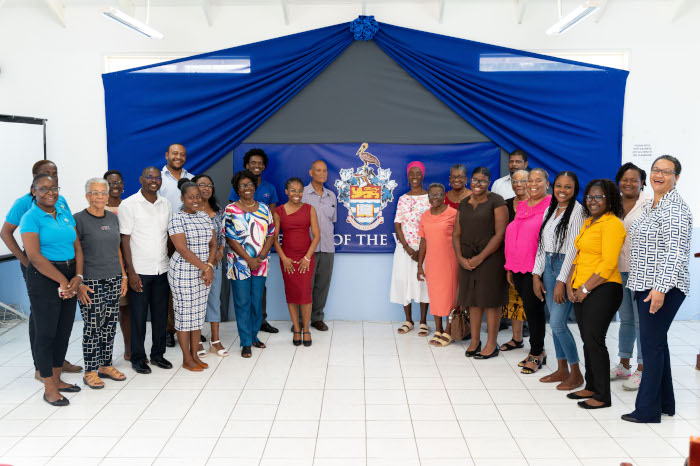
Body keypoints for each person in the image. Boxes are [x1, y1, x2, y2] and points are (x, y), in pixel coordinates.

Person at [622, 155, 693, 423]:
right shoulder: (653, 205)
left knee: (651, 347)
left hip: (662, 287)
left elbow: (676, 253)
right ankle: (665, 404)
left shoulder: (674, 209)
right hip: (646, 284)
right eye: (655, 170)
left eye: (666, 171)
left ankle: (647, 410)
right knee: (657, 344)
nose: (658, 175)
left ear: (677, 177)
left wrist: (661, 289)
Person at [1, 160, 82, 380]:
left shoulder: (60, 200)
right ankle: (41, 368)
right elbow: (6, 232)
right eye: (46, 174)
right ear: (34, 179)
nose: (52, 178)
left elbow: (68, 232)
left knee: (61, 321)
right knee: (41, 318)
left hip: (64, 267)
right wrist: (26, 261)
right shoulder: (24, 204)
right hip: (38, 268)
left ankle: (57, 363)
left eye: (55, 174)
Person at [20, 174, 83, 406]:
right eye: (44, 189)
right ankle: (48, 386)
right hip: (44, 278)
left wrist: (78, 276)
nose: (50, 192)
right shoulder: (30, 217)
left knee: (63, 330)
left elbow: (77, 247)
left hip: (68, 276)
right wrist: (62, 281)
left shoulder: (65, 213)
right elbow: (35, 257)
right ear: (33, 190)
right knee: (46, 333)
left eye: (53, 188)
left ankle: (58, 379)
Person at [565, 179, 625, 409]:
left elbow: (608, 263)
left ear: (609, 199)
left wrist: (585, 288)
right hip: (582, 289)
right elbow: (579, 256)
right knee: (587, 339)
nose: (593, 201)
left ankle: (602, 396)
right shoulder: (589, 222)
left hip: (604, 288)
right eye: (589, 197)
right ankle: (590, 386)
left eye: (599, 197)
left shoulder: (612, 224)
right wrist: (571, 284)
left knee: (595, 340)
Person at [532, 171, 585, 390]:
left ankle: (576, 372)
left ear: (575, 190)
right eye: (559, 186)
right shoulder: (549, 210)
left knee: (557, 323)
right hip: (549, 267)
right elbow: (542, 246)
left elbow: (573, 250)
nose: (562, 190)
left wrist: (563, 281)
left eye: (568, 187)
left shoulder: (578, 212)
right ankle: (562, 369)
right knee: (555, 324)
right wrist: (536, 275)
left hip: (566, 267)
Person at [119, 166, 173, 374]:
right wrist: (130, 272)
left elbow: (168, 235)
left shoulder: (165, 204)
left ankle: (158, 355)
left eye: (157, 178)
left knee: (160, 316)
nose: (154, 180)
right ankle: (138, 358)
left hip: (162, 269)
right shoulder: (129, 204)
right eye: (149, 177)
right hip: (139, 271)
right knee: (139, 317)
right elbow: (125, 239)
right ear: (141, 179)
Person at [75, 178, 128, 389]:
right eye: (95, 193)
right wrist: (78, 282)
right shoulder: (78, 219)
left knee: (109, 326)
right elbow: (75, 252)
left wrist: (123, 276)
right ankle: (90, 370)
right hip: (91, 281)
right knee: (93, 327)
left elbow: (117, 248)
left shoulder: (113, 218)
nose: (100, 196)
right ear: (87, 196)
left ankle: (105, 365)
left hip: (114, 278)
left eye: (103, 192)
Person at [453, 167, 508, 358]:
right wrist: (460, 258)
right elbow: (456, 233)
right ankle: (475, 341)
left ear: (489, 183)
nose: (478, 184)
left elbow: (500, 234)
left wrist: (480, 258)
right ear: (470, 181)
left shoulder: (497, 201)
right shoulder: (464, 203)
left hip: (490, 257)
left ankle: (492, 344)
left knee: (491, 301)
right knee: (473, 301)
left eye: (483, 181)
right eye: (475, 180)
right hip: (467, 258)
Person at [504, 168, 551, 374]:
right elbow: (514, 235)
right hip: (517, 267)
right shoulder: (521, 205)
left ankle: (536, 351)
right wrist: (509, 266)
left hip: (536, 269)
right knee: (529, 310)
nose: (532, 184)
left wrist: (538, 273)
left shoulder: (551, 204)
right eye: (530, 180)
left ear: (547, 184)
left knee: (534, 311)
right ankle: (538, 350)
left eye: (537, 180)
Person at [224, 170, 276, 358]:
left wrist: (260, 257)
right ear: (237, 189)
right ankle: (245, 342)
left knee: (256, 302)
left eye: (250, 184)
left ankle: (254, 336)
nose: (247, 188)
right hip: (239, 263)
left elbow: (271, 233)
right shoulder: (231, 210)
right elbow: (230, 239)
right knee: (242, 302)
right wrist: (249, 259)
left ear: (255, 187)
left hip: (260, 263)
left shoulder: (264, 208)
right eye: (242, 185)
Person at [168, 180, 216, 371]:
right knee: (183, 316)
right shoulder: (176, 218)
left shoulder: (204, 216)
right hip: (183, 273)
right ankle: (186, 358)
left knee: (197, 316)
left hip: (204, 272)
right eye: (191, 197)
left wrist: (209, 266)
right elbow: (182, 249)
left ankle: (195, 355)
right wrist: (206, 268)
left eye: (198, 196)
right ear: (182, 198)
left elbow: (213, 244)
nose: (195, 200)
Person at [230, 148, 279, 334]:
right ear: (246, 165)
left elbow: (273, 220)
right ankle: (246, 330)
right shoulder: (237, 188)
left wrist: (264, 251)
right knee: (243, 294)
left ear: (264, 166)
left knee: (259, 291)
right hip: (241, 253)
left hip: (262, 250)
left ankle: (260, 322)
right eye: (253, 163)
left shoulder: (270, 188)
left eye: (260, 163)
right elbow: (233, 219)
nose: (256, 166)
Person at [610, 162, 650, 391]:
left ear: (642, 182)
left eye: (634, 179)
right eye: (624, 179)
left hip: (641, 270)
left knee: (640, 320)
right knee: (624, 318)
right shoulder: (613, 204)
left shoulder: (649, 204)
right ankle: (624, 364)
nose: (628, 183)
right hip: (617, 269)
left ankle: (642, 368)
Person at [273, 177, 321, 346]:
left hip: (305, 258)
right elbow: (274, 239)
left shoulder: (310, 209)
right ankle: (296, 327)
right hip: (287, 259)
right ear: (286, 192)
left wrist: (307, 258)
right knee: (292, 294)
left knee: (305, 295)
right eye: (293, 190)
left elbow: (316, 236)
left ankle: (306, 329)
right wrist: (284, 258)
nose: (296, 194)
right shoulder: (278, 211)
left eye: (300, 190)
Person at [158, 143, 193, 348]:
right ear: (167, 155)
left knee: (188, 285)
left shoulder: (191, 177)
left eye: (182, 154)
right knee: (169, 288)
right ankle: (169, 329)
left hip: (188, 239)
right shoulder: (158, 179)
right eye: (174, 153)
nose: (178, 157)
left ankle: (189, 327)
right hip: (165, 238)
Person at [391, 161, 430, 336]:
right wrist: (407, 248)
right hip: (404, 249)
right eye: (411, 174)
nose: (415, 177)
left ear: (423, 175)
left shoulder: (430, 197)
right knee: (403, 281)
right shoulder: (403, 199)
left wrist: (420, 250)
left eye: (418, 173)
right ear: (408, 176)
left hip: (425, 247)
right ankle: (408, 320)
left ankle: (423, 322)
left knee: (423, 283)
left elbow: (431, 224)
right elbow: (397, 224)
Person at [192, 174, 229, 358]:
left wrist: (220, 251)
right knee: (197, 303)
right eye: (201, 185)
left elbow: (223, 235)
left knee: (215, 301)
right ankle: (197, 340)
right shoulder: (189, 210)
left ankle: (215, 341)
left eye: (209, 185)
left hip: (215, 263)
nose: (206, 188)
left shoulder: (218, 210)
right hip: (195, 264)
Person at [417, 183, 458, 346]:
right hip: (432, 263)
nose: (434, 198)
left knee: (449, 296)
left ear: (444, 196)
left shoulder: (454, 214)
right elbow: (423, 241)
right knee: (434, 296)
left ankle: (449, 330)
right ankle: (438, 329)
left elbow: (460, 238)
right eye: (431, 195)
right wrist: (420, 265)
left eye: (438, 195)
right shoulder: (425, 216)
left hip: (450, 262)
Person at [300, 160, 337, 332]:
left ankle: (317, 318)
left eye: (324, 171)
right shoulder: (303, 195)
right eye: (318, 170)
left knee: (322, 284)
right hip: (307, 249)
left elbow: (332, 221)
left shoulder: (331, 196)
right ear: (310, 172)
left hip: (328, 247)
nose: (322, 173)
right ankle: (301, 320)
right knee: (305, 284)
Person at [103, 169, 133, 362]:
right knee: (106, 314)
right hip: (108, 267)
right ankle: (104, 356)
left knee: (127, 310)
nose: (115, 186)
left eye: (118, 182)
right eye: (111, 183)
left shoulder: (129, 206)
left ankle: (129, 350)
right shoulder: (99, 209)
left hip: (129, 266)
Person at [500, 169, 529, 352]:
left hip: (531, 260)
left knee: (532, 302)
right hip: (511, 259)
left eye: (522, 181)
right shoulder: (506, 204)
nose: (518, 184)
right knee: (514, 300)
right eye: (515, 181)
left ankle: (537, 345)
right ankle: (517, 339)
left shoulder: (537, 204)